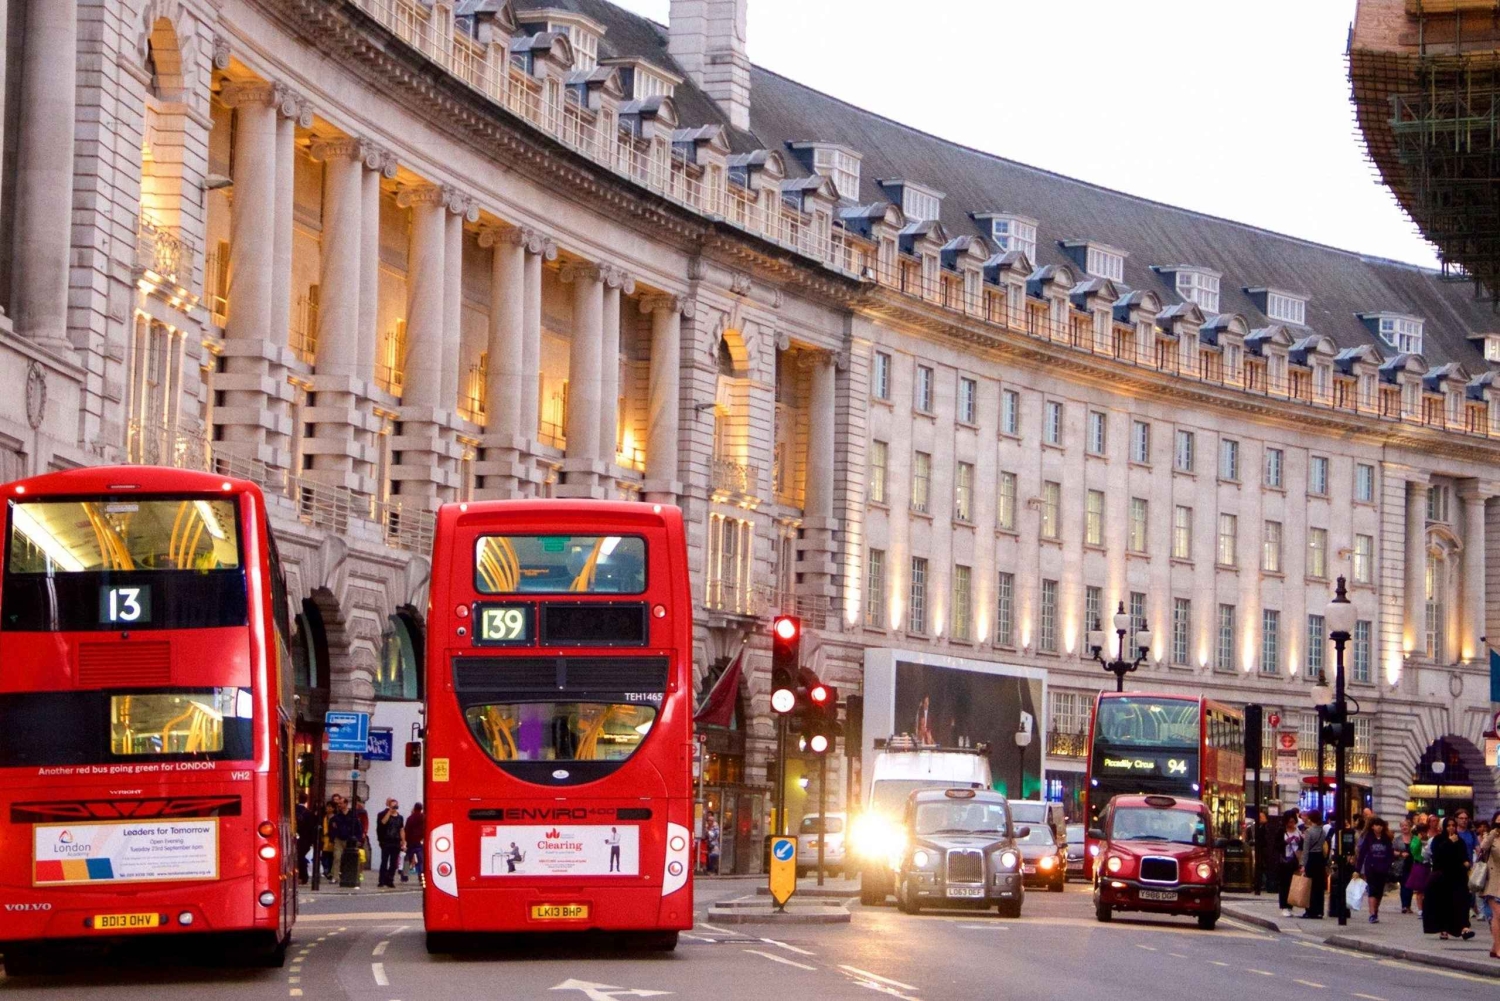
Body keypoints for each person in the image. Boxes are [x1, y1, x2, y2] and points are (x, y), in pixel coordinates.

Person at [1423, 816, 1475, 940]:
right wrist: (1449, 842)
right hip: (1443, 877)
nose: (1451, 828)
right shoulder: (1438, 840)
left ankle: (1464, 928)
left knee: (1461, 902)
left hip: (1458, 876)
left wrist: (1467, 862)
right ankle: (1444, 928)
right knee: (1444, 903)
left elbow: (1464, 855)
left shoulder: (1460, 841)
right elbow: (1438, 856)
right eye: (1448, 825)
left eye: (1453, 825)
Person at [1355, 817, 1394, 923]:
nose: (1379, 827)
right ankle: (1372, 914)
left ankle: (1375, 911)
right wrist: (1357, 869)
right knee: (1372, 890)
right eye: (1377, 825)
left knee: (1379, 892)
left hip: (1383, 868)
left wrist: (1388, 865)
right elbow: (1362, 854)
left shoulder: (1386, 839)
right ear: (1372, 827)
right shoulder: (1368, 838)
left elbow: (1390, 854)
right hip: (1371, 868)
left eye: (1381, 825)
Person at [1477, 810, 1500, 960]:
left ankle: (1494, 948)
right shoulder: (1491, 836)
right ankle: (1498, 949)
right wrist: (1493, 832)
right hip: (1492, 881)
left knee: (1497, 917)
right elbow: (1482, 848)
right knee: (1498, 915)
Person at [1299, 809, 1327, 920]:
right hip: (1320, 858)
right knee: (1319, 886)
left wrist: (1303, 864)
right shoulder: (1322, 831)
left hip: (1311, 858)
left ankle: (1310, 910)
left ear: (1310, 819)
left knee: (1309, 886)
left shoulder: (1309, 832)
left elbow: (1305, 850)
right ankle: (1319, 910)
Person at [329, 797, 363, 886]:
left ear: (346, 804)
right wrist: (332, 838)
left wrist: (358, 839)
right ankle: (335, 877)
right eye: (338, 803)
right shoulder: (337, 816)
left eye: (341, 803)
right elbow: (332, 827)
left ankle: (353, 876)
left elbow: (358, 828)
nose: (339, 805)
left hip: (350, 840)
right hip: (339, 839)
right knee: (337, 857)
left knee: (351, 859)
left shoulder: (353, 815)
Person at [1277, 811, 1303, 917]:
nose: (1291, 824)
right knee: (1284, 884)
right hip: (1284, 860)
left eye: (1293, 821)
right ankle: (1284, 906)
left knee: (1293, 884)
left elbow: (1302, 846)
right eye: (1289, 822)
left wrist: (1299, 840)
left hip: (1295, 860)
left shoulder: (1298, 831)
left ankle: (1290, 906)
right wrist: (1286, 842)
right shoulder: (1281, 831)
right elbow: (1276, 846)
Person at [376, 798, 405, 888]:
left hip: (396, 842)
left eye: (395, 805)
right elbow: (383, 822)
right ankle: (381, 880)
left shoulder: (400, 817)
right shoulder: (384, 814)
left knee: (393, 863)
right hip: (386, 841)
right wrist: (389, 812)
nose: (394, 807)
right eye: (393, 805)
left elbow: (401, 829)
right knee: (384, 862)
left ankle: (390, 880)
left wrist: (403, 840)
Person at [1394, 816, 1415, 913]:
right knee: (1404, 885)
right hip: (1401, 865)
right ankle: (1404, 906)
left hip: (1413, 864)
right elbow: (1392, 851)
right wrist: (1400, 854)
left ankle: (1408, 905)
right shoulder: (1397, 839)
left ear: (1410, 826)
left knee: (1410, 886)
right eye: (1402, 826)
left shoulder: (1415, 838)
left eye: (1406, 825)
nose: (1404, 827)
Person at [403, 802, 425, 881]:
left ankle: (404, 876)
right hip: (419, 842)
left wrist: (405, 840)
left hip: (411, 842)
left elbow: (406, 830)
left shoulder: (410, 818)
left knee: (407, 859)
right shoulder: (423, 817)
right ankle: (421, 877)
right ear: (421, 809)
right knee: (421, 861)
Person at [320, 801, 337, 879]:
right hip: (324, 840)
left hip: (332, 840)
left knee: (331, 857)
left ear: (333, 808)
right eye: (327, 806)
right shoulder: (323, 817)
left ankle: (329, 871)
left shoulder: (335, 818)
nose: (328, 808)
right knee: (324, 857)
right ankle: (326, 869)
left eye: (330, 807)